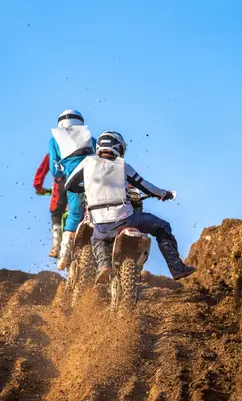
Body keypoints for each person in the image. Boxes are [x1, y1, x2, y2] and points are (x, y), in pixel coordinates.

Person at [65, 131, 195, 283]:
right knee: (162, 227)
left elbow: (70, 185)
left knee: (98, 238)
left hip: (99, 222)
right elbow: (145, 186)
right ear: (119, 148)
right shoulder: (122, 166)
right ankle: (177, 268)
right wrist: (164, 194)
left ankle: (104, 267)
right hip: (125, 218)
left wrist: (89, 187)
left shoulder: (86, 163)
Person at [49, 109, 95, 270]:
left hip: (74, 183)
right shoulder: (91, 140)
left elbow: (54, 169)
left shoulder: (55, 141)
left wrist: (63, 171)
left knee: (75, 213)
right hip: (97, 182)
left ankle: (64, 255)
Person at [33, 153, 67, 258]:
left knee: (56, 211)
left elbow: (41, 171)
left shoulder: (54, 153)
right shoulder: (85, 149)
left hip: (60, 188)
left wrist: (39, 188)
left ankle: (56, 244)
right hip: (81, 189)